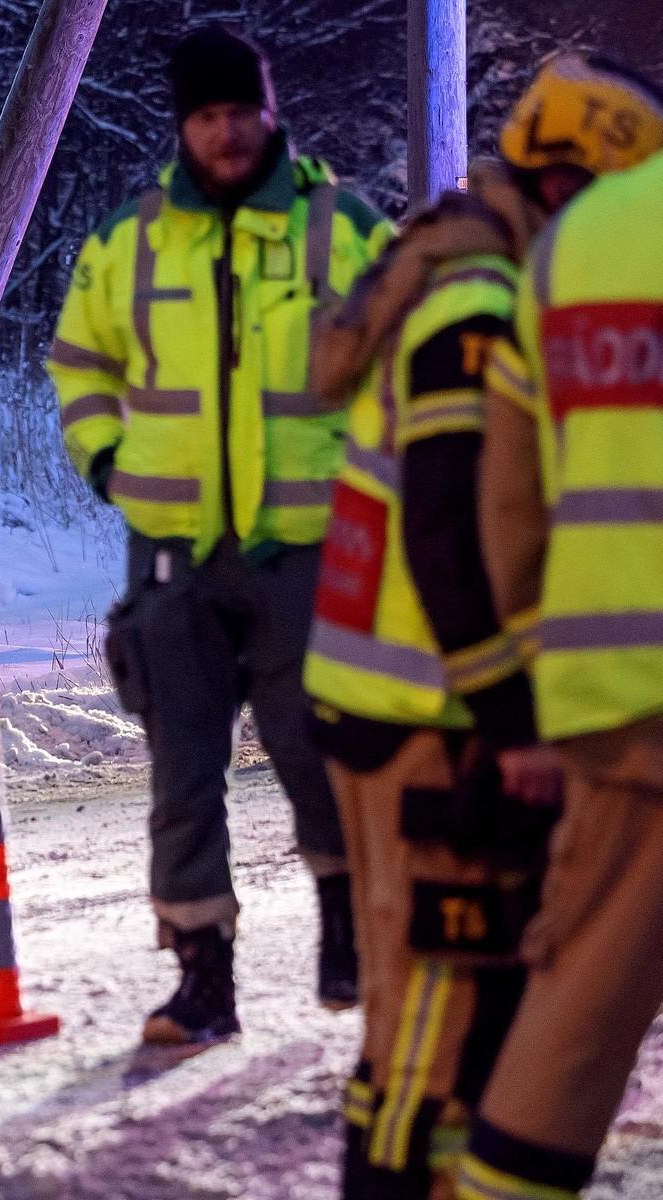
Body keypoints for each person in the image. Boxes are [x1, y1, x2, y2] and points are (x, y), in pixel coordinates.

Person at [300, 52, 663, 1200]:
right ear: (584, 181)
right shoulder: (483, 298)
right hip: (434, 709)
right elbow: (452, 527)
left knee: (428, 1026)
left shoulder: (455, 264)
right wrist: (511, 717)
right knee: (433, 1035)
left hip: (391, 697)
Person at [47, 25, 392, 1044]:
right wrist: (107, 461)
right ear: (183, 126)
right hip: (174, 554)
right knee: (181, 771)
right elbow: (79, 362)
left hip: (309, 552)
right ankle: (203, 981)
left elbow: (406, 361)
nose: (227, 134)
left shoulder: (343, 230)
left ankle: (346, 930)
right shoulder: (133, 239)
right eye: (207, 117)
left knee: (316, 751)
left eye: (241, 113)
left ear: (269, 112)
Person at [451, 62, 663, 1200]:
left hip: (613, 693)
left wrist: (530, 690)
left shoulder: (566, 262)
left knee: (578, 998)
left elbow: (509, 507)